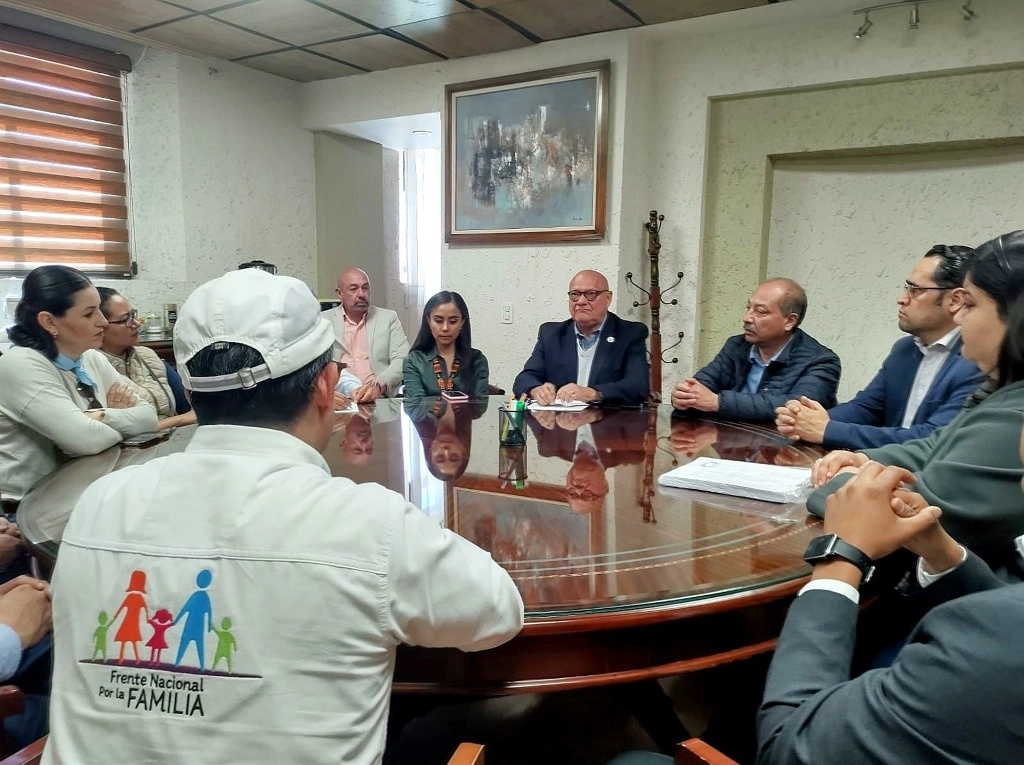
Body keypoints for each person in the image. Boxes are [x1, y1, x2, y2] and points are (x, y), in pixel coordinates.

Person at [45, 268, 524, 764]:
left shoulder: (98, 504)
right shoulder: (367, 525)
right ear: (326, 387)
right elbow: (498, 611)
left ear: (192, 393)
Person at [809, 231, 1024, 574]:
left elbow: (912, 515)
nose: (957, 318)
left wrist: (843, 483)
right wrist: (864, 459)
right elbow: (935, 444)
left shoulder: (1015, 416)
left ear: (1015, 318)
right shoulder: (999, 387)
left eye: (969, 305)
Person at [775, 246, 983, 450]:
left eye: (915, 290)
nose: (901, 299)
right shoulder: (904, 350)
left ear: (955, 300)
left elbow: (930, 439)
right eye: (906, 288)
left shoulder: (977, 360)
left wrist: (826, 429)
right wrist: (805, 418)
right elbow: (866, 408)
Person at [0, 266, 158, 501]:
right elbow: (87, 441)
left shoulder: (90, 357)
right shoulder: (21, 364)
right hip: (26, 512)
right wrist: (120, 424)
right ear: (49, 322)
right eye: (88, 314)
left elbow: (149, 419)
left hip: (83, 495)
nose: (103, 322)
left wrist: (101, 416)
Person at [672, 278, 839, 423]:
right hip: (731, 448)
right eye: (748, 308)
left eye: (760, 312)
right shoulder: (736, 346)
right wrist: (685, 395)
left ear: (789, 321)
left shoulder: (822, 361)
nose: (747, 318)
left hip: (787, 453)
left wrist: (718, 402)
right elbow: (702, 385)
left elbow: (798, 409)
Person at [512, 270, 649, 406]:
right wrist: (536, 390)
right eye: (575, 295)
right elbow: (524, 379)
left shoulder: (630, 334)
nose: (581, 301)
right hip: (560, 423)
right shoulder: (551, 334)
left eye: (591, 294)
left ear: (608, 298)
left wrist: (593, 393)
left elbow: (638, 386)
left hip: (609, 422)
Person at [97, 287, 195, 424]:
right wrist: (174, 422)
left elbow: (192, 411)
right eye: (125, 319)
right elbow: (115, 429)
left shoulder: (146, 355)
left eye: (133, 315)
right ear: (99, 326)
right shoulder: (93, 367)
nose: (136, 324)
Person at [322, 267, 409, 402]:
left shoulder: (388, 318)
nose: (361, 294)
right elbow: (318, 367)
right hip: (339, 400)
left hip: (379, 398)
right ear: (340, 293)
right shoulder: (324, 321)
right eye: (353, 289)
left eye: (365, 288)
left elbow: (402, 358)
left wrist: (379, 385)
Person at [402, 291, 489, 398]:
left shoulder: (477, 360)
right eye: (438, 321)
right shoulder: (414, 361)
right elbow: (417, 405)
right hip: (426, 415)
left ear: (462, 322)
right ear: (429, 321)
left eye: (453, 321)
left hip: (467, 415)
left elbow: (480, 405)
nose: (445, 328)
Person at [405, 397, 489, 482]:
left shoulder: (415, 411)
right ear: (463, 450)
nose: (446, 450)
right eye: (454, 456)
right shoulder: (476, 408)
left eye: (440, 457)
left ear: (430, 452)